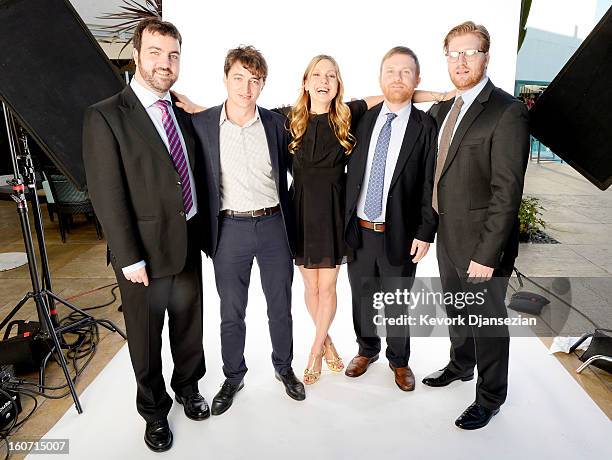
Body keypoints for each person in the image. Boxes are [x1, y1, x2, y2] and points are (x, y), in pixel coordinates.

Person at [175, 58, 449, 386]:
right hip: (300, 210)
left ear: (337, 83)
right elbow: (242, 109)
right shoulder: (287, 117)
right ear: (306, 82)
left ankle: (316, 349)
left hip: (335, 212)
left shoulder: (348, 114)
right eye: (317, 75)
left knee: (329, 287)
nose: (324, 80)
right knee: (310, 287)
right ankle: (328, 341)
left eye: (331, 75)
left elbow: (392, 96)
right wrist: (198, 109)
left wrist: (437, 95)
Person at [82, 19, 208, 453]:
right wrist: (127, 256)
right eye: (155, 52)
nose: (165, 63)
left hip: (188, 239)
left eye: (173, 54)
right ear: (136, 55)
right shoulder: (106, 116)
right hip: (144, 255)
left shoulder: (182, 112)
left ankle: (189, 388)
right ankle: (154, 412)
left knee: (190, 327)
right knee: (147, 336)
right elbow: (107, 193)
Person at [422, 21, 529, 430]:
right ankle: (461, 364)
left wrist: (488, 254)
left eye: (471, 52)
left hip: (483, 244)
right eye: (454, 53)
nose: (462, 60)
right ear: (446, 58)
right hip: (448, 236)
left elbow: (507, 192)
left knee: (487, 322)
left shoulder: (506, 111)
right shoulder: (443, 109)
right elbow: (437, 177)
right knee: (457, 311)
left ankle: (489, 397)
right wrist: (426, 229)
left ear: (486, 57)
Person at [191, 45, 305, 417]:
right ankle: (232, 376)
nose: (246, 87)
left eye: (254, 81)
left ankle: (284, 367)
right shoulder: (203, 124)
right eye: (239, 78)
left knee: (280, 307)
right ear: (225, 79)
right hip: (229, 230)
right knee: (231, 312)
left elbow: (298, 172)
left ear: (262, 85)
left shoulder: (276, 124)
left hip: (274, 227)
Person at [344, 46, 438, 392]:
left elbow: (430, 181)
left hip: (399, 232)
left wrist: (426, 231)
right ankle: (367, 350)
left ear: (417, 79)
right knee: (362, 296)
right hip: (360, 230)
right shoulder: (362, 119)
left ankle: (399, 361)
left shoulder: (426, 126)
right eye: (391, 71)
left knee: (397, 302)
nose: (397, 78)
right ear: (380, 77)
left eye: (406, 72)